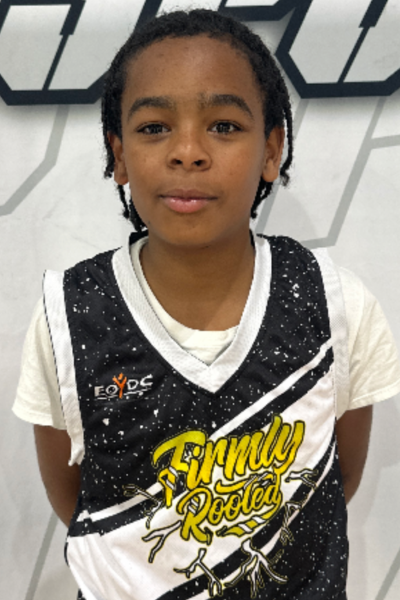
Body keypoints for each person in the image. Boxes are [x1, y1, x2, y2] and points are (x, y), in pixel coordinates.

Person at [13, 8, 400, 600]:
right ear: (118, 154)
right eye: (153, 128)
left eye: (223, 125)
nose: (188, 151)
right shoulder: (68, 316)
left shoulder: (336, 305)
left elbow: (334, 480)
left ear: (272, 149)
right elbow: (79, 501)